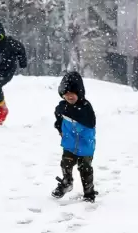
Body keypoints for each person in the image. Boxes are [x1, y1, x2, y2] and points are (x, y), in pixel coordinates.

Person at [52, 71, 97, 203]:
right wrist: (59, 127)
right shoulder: (62, 107)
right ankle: (67, 182)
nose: (69, 97)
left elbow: (91, 122)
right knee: (65, 163)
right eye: (66, 94)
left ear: (79, 92)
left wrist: (74, 113)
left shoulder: (85, 107)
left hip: (85, 144)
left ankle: (89, 192)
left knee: (85, 169)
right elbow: (58, 116)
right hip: (70, 143)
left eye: (72, 93)